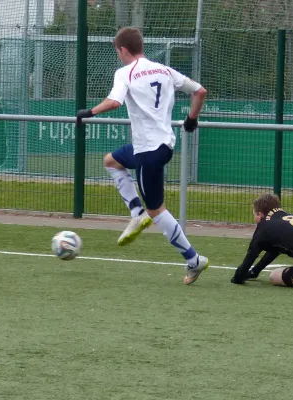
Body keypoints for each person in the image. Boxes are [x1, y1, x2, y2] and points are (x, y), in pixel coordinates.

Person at [76, 27, 209, 285]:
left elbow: (114, 102)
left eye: (117, 51)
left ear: (123, 50)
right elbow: (200, 91)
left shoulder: (125, 72)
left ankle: (194, 260)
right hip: (159, 146)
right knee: (111, 161)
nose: (118, 56)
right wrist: (191, 119)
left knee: (157, 211)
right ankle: (136, 212)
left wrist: (88, 112)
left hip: (148, 151)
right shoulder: (164, 70)